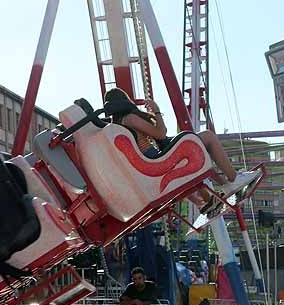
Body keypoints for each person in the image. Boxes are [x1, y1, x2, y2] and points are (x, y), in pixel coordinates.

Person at [103, 88, 260, 213]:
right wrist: (157, 111)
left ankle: (204, 201)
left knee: (189, 157)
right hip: (156, 162)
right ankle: (232, 179)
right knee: (208, 137)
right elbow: (160, 133)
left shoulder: (115, 126)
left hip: (148, 168)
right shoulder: (129, 118)